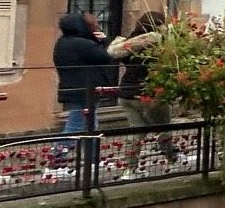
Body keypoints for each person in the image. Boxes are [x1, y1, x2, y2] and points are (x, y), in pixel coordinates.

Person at [52, 12, 121, 161]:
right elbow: (105, 57)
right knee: (76, 125)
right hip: (84, 91)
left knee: (91, 125)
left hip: (72, 89)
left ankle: (92, 160)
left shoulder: (62, 42)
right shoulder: (83, 44)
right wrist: (104, 41)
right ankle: (56, 160)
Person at [112, 12, 173, 159]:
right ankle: (171, 158)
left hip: (126, 92)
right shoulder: (159, 43)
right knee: (163, 127)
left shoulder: (129, 43)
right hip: (149, 92)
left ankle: (129, 168)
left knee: (135, 131)